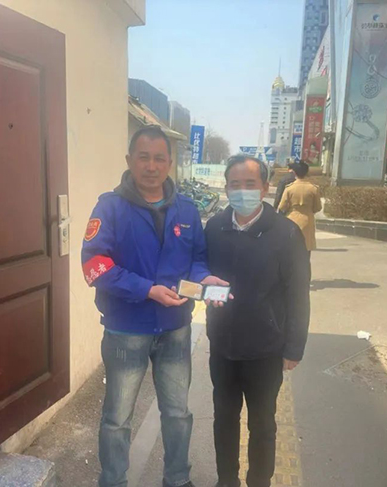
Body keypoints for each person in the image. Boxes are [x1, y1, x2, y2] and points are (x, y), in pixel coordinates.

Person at [82, 125, 228, 487]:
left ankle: (177, 479)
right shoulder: (110, 207)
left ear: (170, 163)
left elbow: (196, 260)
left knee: (178, 413)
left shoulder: (187, 210)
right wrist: (147, 290)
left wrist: (205, 278)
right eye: (143, 157)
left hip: (175, 327)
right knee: (117, 418)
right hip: (125, 329)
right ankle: (113, 481)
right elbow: (94, 265)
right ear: (129, 160)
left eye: (159, 158)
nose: (151, 166)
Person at [204, 155, 311, 487]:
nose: (242, 191)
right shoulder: (215, 228)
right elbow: (202, 275)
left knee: (263, 424)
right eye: (235, 184)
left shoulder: (286, 233)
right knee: (224, 419)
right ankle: (227, 479)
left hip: (265, 349)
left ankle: (259, 481)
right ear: (226, 188)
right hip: (223, 347)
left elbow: (298, 294)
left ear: (265, 187)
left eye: (250, 184)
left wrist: (294, 347)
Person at [278, 161, 322, 253]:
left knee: (292, 249)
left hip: (291, 219)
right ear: (307, 172)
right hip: (307, 220)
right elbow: (318, 207)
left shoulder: (289, 188)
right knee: (306, 249)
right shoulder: (313, 188)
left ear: (294, 172)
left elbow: (282, 206)